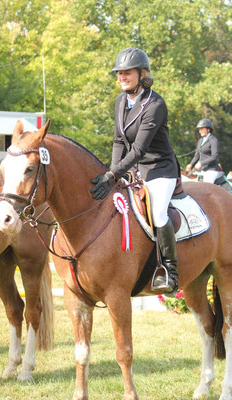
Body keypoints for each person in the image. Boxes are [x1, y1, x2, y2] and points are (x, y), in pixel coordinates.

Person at [90, 47, 180, 294]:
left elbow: (139, 149)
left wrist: (113, 175)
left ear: (142, 74)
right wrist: (112, 172)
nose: (122, 78)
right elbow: (119, 141)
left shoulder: (155, 104)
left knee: (158, 213)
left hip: (159, 170)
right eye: (119, 73)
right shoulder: (120, 101)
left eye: (127, 73)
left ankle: (170, 273)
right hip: (133, 169)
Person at [186, 119, 223, 183]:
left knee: (205, 187)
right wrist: (191, 164)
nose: (200, 131)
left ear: (208, 129)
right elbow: (196, 156)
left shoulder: (213, 140)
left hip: (212, 170)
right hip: (202, 170)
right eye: (199, 129)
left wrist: (201, 163)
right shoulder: (200, 141)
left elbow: (214, 156)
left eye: (202, 129)